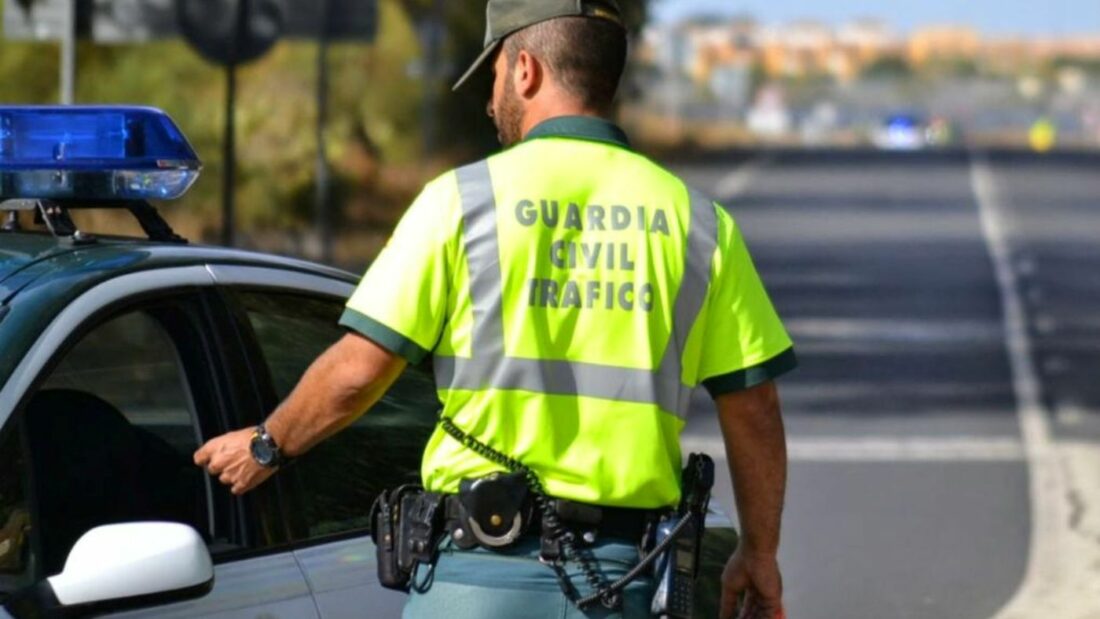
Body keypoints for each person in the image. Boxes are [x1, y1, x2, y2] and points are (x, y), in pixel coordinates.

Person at [194, 1, 795, 617]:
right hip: (626, 583)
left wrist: (267, 445)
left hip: (479, 579)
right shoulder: (699, 225)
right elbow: (754, 408)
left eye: (494, 75)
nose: (489, 102)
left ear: (526, 70)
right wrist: (760, 552)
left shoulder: (460, 203)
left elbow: (359, 370)